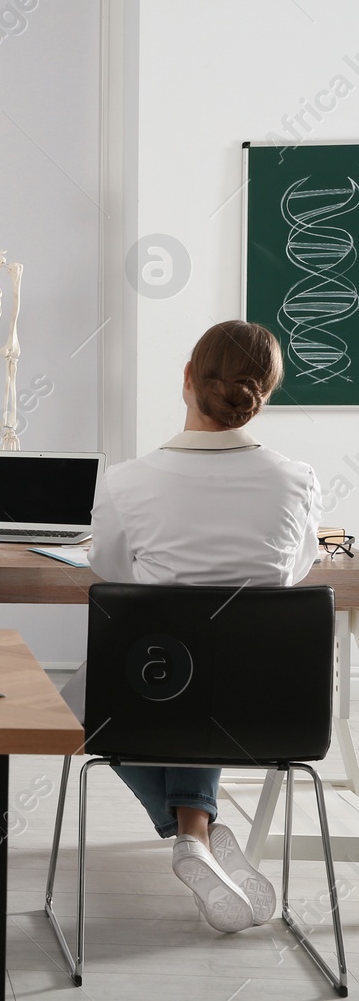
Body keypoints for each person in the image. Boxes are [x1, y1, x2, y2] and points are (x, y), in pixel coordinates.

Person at [88, 319, 320, 934]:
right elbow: (292, 577)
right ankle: (199, 827)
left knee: (82, 701)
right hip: (272, 711)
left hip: (153, 698)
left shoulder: (125, 482)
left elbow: (113, 580)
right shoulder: (297, 481)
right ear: (263, 394)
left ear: (186, 379)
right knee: (207, 664)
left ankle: (190, 829)